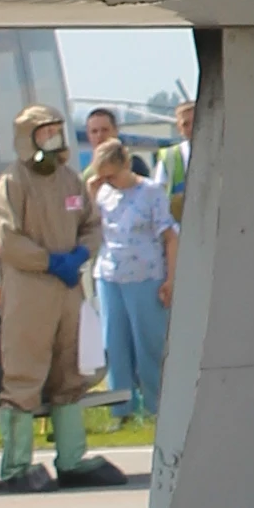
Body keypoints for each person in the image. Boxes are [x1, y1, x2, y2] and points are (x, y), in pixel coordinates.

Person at [0, 98, 120, 490]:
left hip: (68, 289)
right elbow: (8, 240)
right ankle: (16, 466)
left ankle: (72, 459)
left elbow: (91, 224)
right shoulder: (12, 183)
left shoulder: (70, 179)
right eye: (44, 132)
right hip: (30, 290)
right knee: (24, 374)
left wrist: (82, 252)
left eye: (55, 131)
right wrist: (49, 261)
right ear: (28, 138)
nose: (52, 139)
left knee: (70, 372)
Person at [81, 107, 175, 424]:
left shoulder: (150, 192)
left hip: (145, 275)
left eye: (111, 174)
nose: (108, 181)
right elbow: (90, 230)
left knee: (148, 343)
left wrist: (170, 279)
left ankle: (155, 406)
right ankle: (120, 409)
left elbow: (169, 237)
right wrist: (93, 195)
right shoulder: (102, 193)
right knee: (115, 344)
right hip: (110, 275)